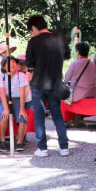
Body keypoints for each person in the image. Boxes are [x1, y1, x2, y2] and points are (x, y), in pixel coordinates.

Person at [25, 15, 70, 157]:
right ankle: (64, 147)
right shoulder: (59, 38)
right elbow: (67, 56)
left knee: (39, 116)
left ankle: (42, 148)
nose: (31, 34)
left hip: (38, 83)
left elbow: (30, 65)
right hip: (55, 82)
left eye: (31, 31)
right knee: (57, 115)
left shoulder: (33, 42)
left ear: (33, 28)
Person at [0, 56, 30, 152]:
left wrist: (22, 109)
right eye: (9, 63)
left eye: (14, 62)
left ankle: (20, 142)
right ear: (4, 67)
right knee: (4, 116)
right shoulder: (1, 76)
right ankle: (2, 140)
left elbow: (22, 93)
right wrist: (6, 108)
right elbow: (2, 93)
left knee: (22, 118)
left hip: (18, 98)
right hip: (6, 98)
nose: (13, 65)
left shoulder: (21, 75)